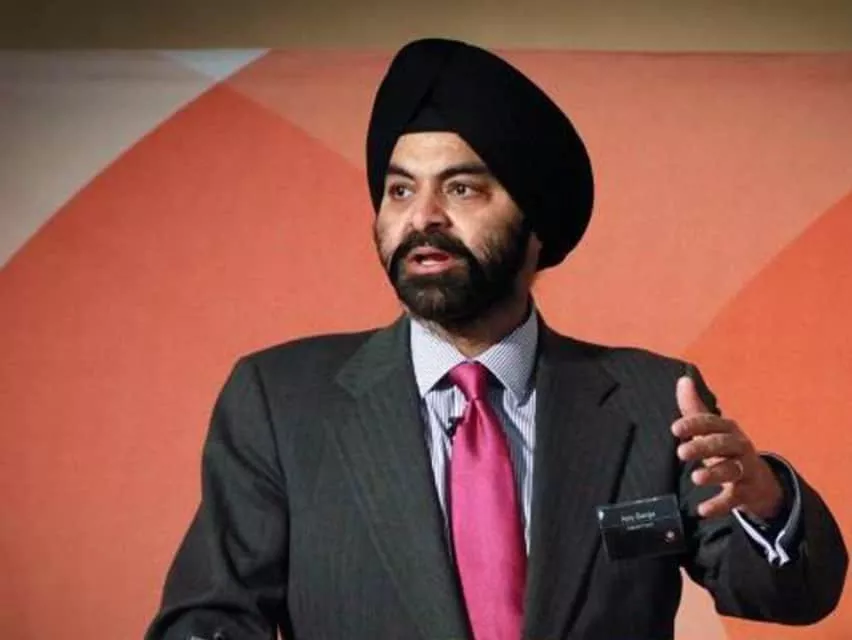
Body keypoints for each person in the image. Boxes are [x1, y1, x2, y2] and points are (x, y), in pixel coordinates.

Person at [145, 38, 847, 640]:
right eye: (399, 191)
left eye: (461, 189)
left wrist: (767, 504)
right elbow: (211, 615)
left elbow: (790, 596)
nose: (423, 217)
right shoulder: (281, 401)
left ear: (535, 223)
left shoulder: (651, 398)